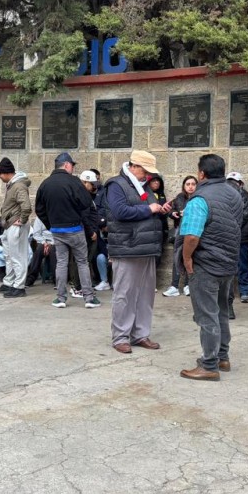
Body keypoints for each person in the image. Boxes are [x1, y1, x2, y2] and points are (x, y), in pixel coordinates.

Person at [179, 154, 243, 381]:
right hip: (228, 263)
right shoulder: (235, 194)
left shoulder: (199, 199)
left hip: (205, 264)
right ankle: (222, 357)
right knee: (222, 311)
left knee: (207, 315)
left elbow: (192, 236)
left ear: (201, 173)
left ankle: (208, 365)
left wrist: (187, 258)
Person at [103, 149, 169, 354]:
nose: (148, 175)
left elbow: (148, 208)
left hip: (147, 247)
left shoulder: (144, 186)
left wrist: (160, 209)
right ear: (134, 166)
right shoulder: (116, 185)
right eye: (145, 171)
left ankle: (140, 334)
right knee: (124, 294)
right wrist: (150, 209)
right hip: (127, 247)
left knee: (145, 294)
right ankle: (120, 336)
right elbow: (120, 212)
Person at [35, 152, 101, 309]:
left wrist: (51, 224)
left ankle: (61, 298)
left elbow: (39, 209)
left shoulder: (45, 184)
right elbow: (86, 202)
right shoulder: (74, 182)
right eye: (72, 165)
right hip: (75, 229)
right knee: (82, 262)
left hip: (57, 230)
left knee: (62, 263)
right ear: (66, 165)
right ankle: (89, 298)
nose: (73, 168)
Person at [0, 157, 32, 297]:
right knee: (9, 255)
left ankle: (19, 286)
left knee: (18, 256)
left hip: (16, 226)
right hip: (10, 225)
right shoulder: (13, 184)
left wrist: (22, 220)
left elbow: (26, 207)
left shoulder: (18, 185)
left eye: (0, 173)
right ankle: (9, 282)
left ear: (6, 173)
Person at [226, 171, 248, 303]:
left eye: (234, 182)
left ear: (241, 184)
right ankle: (225, 291)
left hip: (243, 237)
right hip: (227, 237)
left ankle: (245, 291)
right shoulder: (224, 196)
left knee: (243, 265)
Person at [162, 175, 197, 297]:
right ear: (184, 186)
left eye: (193, 184)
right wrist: (174, 214)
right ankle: (174, 286)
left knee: (191, 257)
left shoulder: (199, 198)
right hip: (180, 232)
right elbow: (171, 211)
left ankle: (188, 285)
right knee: (177, 257)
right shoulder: (179, 197)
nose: (190, 187)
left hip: (193, 232)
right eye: (188, 184)